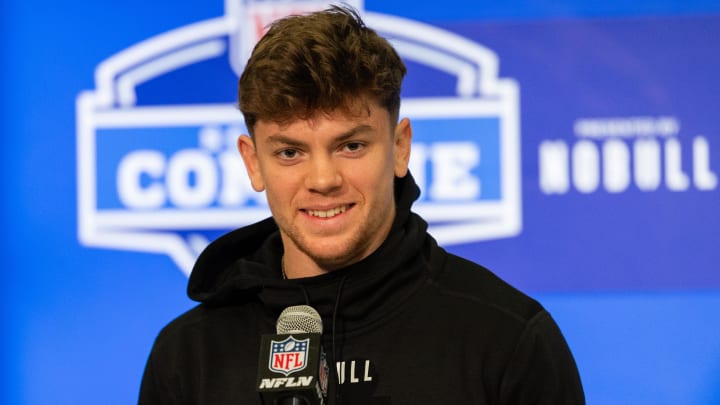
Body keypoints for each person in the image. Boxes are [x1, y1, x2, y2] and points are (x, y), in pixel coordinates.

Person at [139, 6, 584, 404]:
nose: (323, 180)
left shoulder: (507, 340)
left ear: (400, 146)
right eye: (289, 152)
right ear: (253, 163)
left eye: (350, 146)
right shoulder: (189, 357)